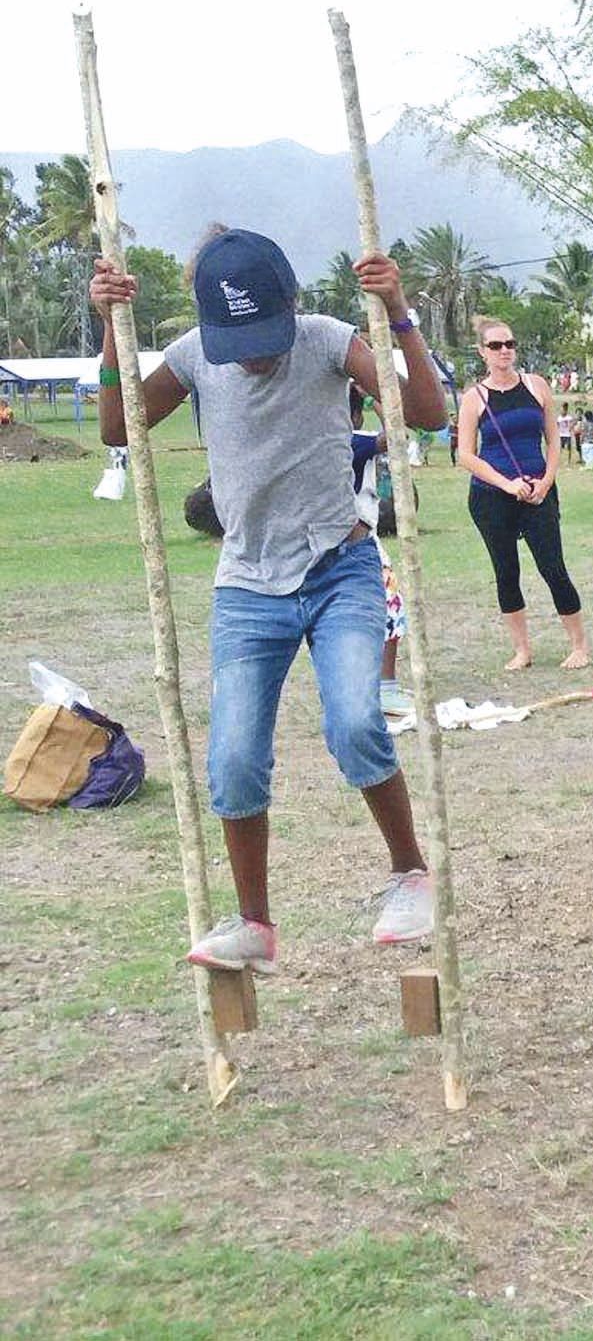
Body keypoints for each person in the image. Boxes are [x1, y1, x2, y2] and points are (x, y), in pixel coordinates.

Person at [91, 228, 449, 968]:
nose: (253, 354)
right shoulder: (194, 355)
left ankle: (411, 873)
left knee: (355, 721)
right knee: (232, 758)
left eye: (264, 335)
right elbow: (118, 423)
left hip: (338, 566)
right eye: (238, 339)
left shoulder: (323, 340)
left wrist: (400, 315)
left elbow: (426, 413)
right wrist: (108, 330)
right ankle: (254, 923)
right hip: (248, 585)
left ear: (290, 305)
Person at [454, 315, 590, 673]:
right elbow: (465, 455)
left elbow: (553, 439)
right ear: (482, 352)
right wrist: (506, 484)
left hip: (539, 491)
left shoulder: (536, 386)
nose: (504, 352)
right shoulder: (474, 398)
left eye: (509, 344)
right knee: (506, 571)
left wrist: (546, 481)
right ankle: (522, 650)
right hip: (492, 495)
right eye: (496, 346)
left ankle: (579, 645)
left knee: (553, 567)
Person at [348, 384, 414, 719]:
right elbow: (397, 437)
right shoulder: (354, 441)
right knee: (391, 609)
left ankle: (367, 686)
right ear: (355, 415)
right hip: (361, 544)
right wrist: (375, 400)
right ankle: (384, 687)